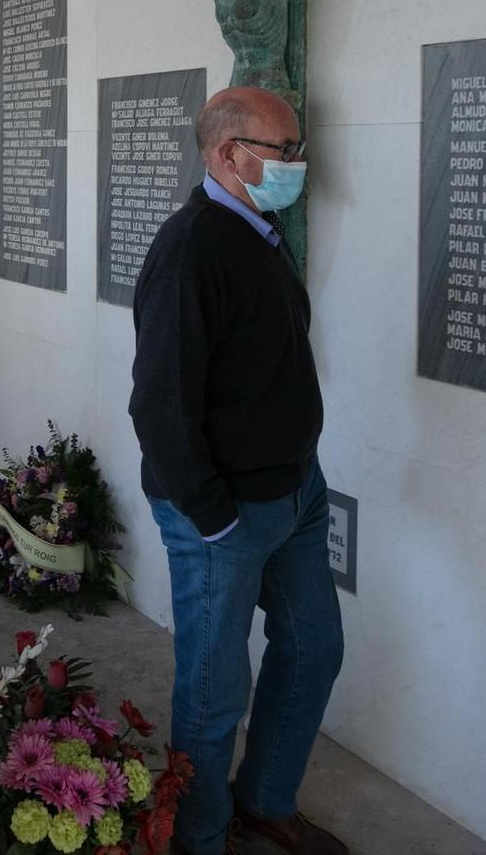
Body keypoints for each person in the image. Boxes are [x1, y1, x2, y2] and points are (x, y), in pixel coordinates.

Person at [127, 86, 345, 855]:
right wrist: (212, 514)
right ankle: (200, 834)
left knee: (314, 648)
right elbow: (159, 406)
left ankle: (263, 800)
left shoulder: (259, 229)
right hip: (223, 511)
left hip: (294, 492)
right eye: (285, 151)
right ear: (229, 153)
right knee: (217, 690)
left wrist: (301, 472)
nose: (299, 165)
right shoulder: (192, 246)